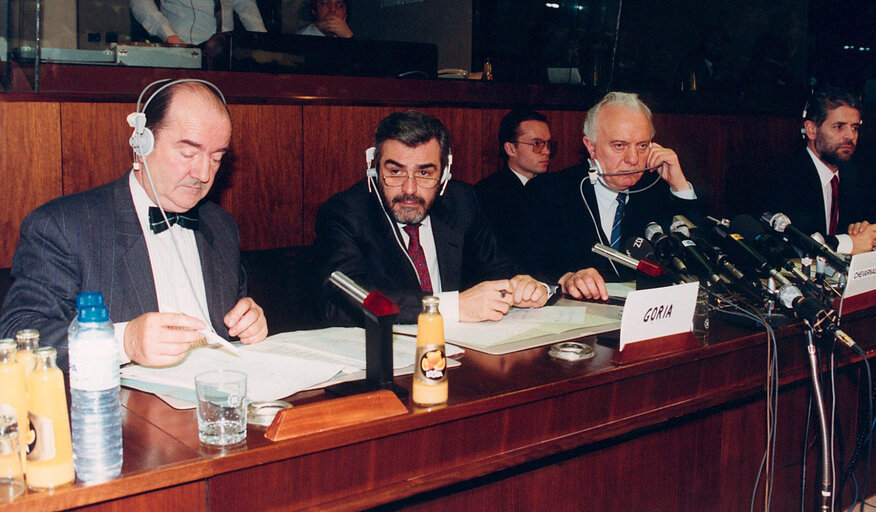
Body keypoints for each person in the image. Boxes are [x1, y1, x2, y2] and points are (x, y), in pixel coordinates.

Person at [0, 80, 268, 370]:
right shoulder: (63, 227)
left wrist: (249, 326)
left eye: (216, 158)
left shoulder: (221, 226)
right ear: (142, 143)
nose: (204, 174)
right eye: (189, 153)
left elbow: (230, 330)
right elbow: (19, 336)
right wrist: (123, 342)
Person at [314, 110, 549, 325]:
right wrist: (449, 307)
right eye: (395, 171)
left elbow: (500, 268)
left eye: (425, 173)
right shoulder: (345, 213)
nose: (410, 189)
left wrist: (523, 283)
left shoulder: (461, 201)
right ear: (374, 170)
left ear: (445, 174)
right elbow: (339, 303)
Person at [527, 91, 700, 299]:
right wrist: (565, 278)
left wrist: (680, 186)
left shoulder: (656, 191)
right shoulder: (549, 192)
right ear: (591, 147)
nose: (633, 159)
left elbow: (698, 259)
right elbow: (524, 264)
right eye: (619, 146)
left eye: (642, 145)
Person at [765, 85, 876, 254]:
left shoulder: (858, 176)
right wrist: (848, 243)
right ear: (811, 130)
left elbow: (865, 230)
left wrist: (864, 230)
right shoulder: (784, 177)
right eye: (839, 127)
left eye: (855, 127)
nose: (850, 136)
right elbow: (791, 245)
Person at [475, 109, 554, 275]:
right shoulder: (488, 194)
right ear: (511, 149)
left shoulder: (556, 188)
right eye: (537, 144)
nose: (546, 151)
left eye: (549, 144)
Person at [130, 0, 267, 46]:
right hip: (185, 49)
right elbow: (141, 3)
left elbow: (246, 7)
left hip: (225, 54)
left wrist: (261, 42)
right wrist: (168, 35)